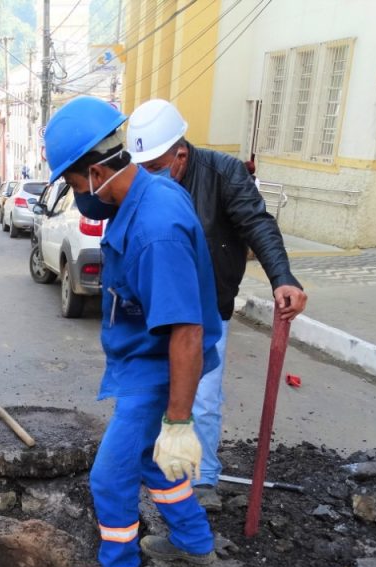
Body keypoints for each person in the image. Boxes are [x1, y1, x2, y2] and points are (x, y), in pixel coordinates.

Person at [43, 96, 222, 567]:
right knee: (147, 460)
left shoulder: (154, 232)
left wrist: (180, 421)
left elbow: (186, 333)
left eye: (77, 186)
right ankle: (193, 541)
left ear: (97, 171)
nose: (80, 198)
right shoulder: (149, 194)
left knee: (109, 474)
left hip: (161, 369)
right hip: (147, 359)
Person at [126, 99, 308, 511]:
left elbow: (257, 223)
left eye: (154, 167)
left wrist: (283, 277)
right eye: (141, 168)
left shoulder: (223, 174)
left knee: (203, 394)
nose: (146, 177)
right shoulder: (143, 181)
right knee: (156, 391)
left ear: (181, 154)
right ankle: (161, 470)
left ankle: (203, 478)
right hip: (158, 311)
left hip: (208, 309)